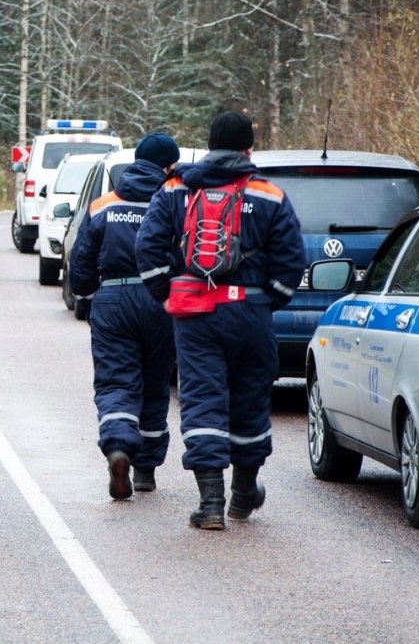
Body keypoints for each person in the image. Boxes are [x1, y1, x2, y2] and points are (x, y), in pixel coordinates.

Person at [135, 111, 305, 530]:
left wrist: (167, 294)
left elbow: (148, 247)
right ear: (249, 148)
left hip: (195, 315)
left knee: (201, 399)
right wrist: (267, 304)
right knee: (250, 399)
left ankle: (210, 502)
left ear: (209, 146)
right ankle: (244, 493)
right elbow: (291, 262)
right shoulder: (269, 195)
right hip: (250, 314)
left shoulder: (177, 188)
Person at [68, 134, 179, 500]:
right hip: (160, 299)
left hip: (113, 298)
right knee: (155, 382)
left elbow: (82, 259)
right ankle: (145, 470)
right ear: (167, 167)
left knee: (117, 381)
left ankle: (118, 448)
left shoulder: (104, 205)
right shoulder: (173, 203)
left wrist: (85, 297)